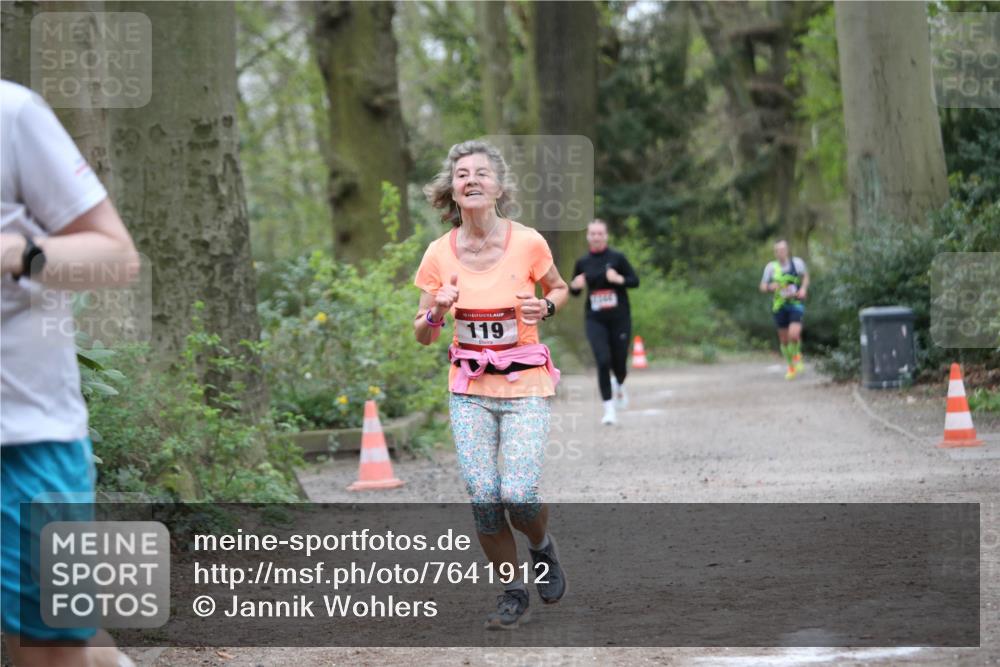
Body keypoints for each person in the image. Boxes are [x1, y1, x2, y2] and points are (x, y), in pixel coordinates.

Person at [1, 80, 140, 667]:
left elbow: (117, 259)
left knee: (49, 649)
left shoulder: (11, 113)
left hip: (24, 441)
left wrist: (24, 254)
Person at [414, 139, 569, 630]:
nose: (471, 179)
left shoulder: (528, 243)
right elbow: (422, 333)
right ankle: (512, 591)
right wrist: (437, 309)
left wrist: (544, 307)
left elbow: (560, 289)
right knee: (484, 495)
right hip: (469, 390)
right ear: (452, 190)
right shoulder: (439, 254)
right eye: (462, 174)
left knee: (518, 491)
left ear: (499, 186)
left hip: (525, 385)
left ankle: (542, 548)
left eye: (482, 172)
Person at [569, 219, 639, 425]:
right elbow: (574, 291)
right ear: (588, 236)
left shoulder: (618, 258)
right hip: (595, 318)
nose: (596, 237)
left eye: (600, 233)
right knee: (602, 360)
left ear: (606, 235)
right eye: (593, 234)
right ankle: (609, 409)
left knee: (619, 362)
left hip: (619, 318)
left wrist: (619, 280)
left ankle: (618, 383)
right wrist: (575, 285)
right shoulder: (583, 262)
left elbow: (635, 281)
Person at [759, 240, 809, 380]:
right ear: (775, 253)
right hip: (779, 306)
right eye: (777, 250)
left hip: (795, 303)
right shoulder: (771, 267)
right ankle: (791, 366)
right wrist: (770, 287)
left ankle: (797, 355)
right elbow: (762, 286)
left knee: (794, 334)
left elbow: (805, 277)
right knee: (784, 340)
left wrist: (803, 289)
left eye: (783, 249)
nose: (780, 252)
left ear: (787, 250)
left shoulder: (797, 263)